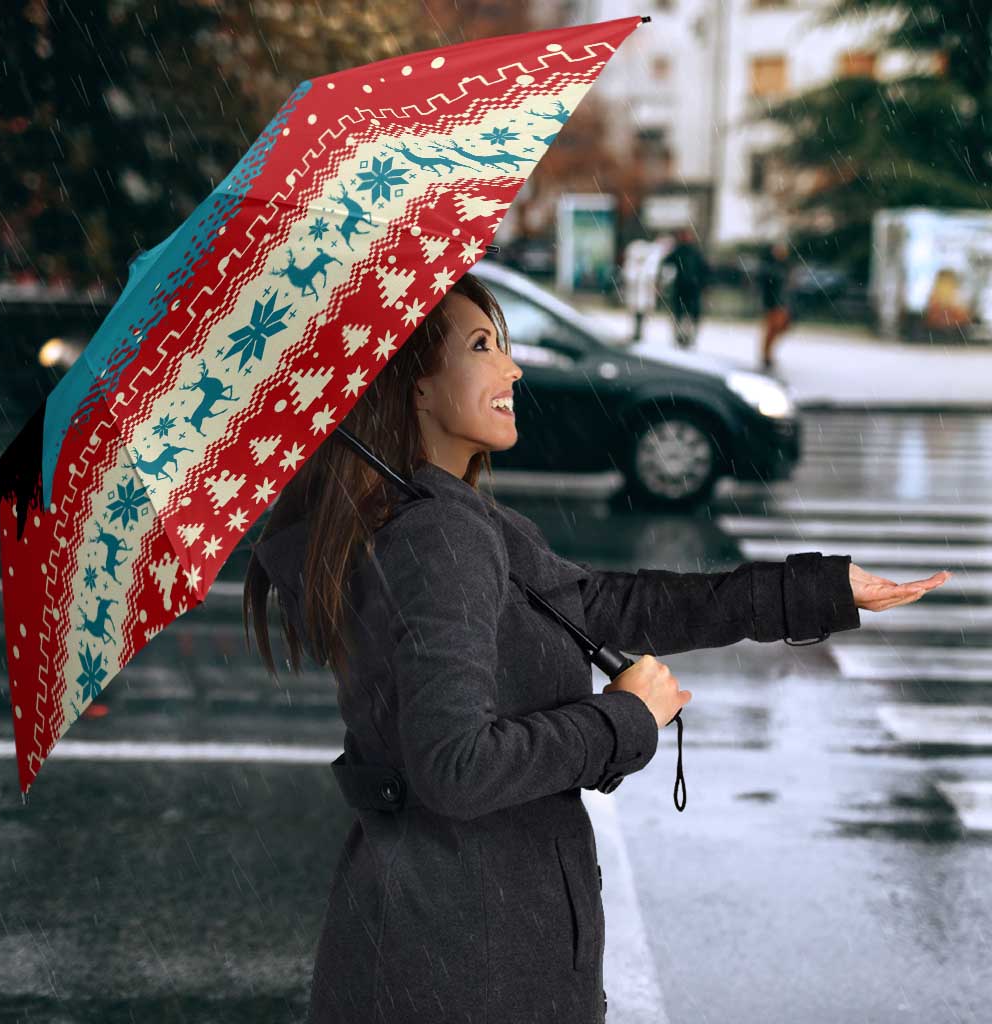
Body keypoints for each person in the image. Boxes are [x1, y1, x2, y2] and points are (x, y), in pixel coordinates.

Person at [243, 271, 879, 1024]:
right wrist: (623, 719)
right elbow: (456, 768)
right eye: (482, 346)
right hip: (468, 963)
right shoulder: (437, 536)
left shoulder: (442, 516)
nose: (512, 368)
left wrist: (817, 592)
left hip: (446, 941)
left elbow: (605, 604)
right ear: (414, 385)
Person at [660, 226, 710, 349]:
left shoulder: (693, 252)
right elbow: (666, 264)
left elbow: (704, 270)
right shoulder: (680, 251)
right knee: (681, 314)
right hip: (683, 288)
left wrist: (703, 284)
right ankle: (681, 337)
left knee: (688, 315)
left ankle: (687, 337)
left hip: (691, 288)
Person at [758, 240, 794, 371]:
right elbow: (767, 286)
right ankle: (766, 355)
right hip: (773, 303)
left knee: (781, 328)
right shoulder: (770, 267)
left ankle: (768, 354)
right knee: (772, 329)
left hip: (782, 303)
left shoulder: (785, 266)